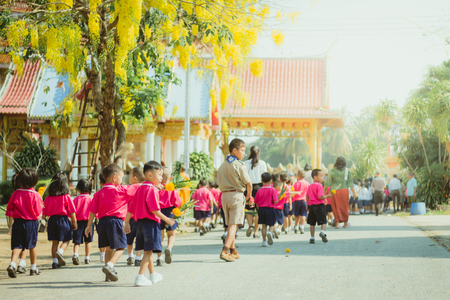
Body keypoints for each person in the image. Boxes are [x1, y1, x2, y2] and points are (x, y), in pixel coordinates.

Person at [85, 163, 139, 282]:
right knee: (121, 247)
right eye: (121, 177)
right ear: (114, 178)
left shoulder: (98, 194)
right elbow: (136, 187)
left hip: (102, 223)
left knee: (108, 248)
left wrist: (89, 226)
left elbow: (93, 211)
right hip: (116, 222)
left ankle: (107, 274)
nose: (122, 180)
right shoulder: (122, 190)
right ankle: (110, 266)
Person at [124, 161, 175, 287]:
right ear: (150, 175)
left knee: (148, 250)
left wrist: (126, 223)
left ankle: (153, 274)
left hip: (139, 224)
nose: (161, 178)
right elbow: (155, 210)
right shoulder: (152, 190)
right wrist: (167, 220)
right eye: (159, 175)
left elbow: (131, 207)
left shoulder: (140, 188)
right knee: (148, 252)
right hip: (150, 224)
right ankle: (140, 276)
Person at [217, 138, 252, 262]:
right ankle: (225, 250)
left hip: (224, 196)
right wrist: (249, 197)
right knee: (233, 225)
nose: (244, 153)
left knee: (230, 224)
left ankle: (233, 251)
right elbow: (249, 184)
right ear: (234, 150)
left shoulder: (222, 165)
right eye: (242, 151)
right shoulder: (239, 165)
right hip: (236, 195)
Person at [6, 168, 43, 277]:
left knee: (17, 245)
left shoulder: (15, 193)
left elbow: (9, 210)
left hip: (17, 223)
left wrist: (10, 226)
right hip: (31, 223)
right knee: (32, 246)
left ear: (19, 180)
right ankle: (33, 268)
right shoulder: (36, 195)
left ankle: (12, 264)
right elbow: (38, 213)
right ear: (35, 182)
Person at [42, 172, 77, 269]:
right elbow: (72, 211)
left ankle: (55, 262)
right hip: (63, 220)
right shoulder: (66, 197)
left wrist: (43, 219)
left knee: (55, 242)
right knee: (67, 240)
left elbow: (44, 214)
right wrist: (74, 222)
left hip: (52, 220)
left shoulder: (48, 198)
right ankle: (60, 252)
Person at [156, 166, 181, 266]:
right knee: (171, 234)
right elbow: (178, 203)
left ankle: (159, 258)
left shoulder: (157, 189)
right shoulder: (173, 190)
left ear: (160, 177)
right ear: (170, 177)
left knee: (160, 236)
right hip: (170, 213)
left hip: (159, 213)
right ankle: (169, 248)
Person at [325, 157, 356, 229]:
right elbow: (350, 183)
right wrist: (354, 193)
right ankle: (345, 223)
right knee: (345, 206)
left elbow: (328, 183)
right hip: (344, 191)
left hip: (334, 191)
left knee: (335, 206)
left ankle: (337, 224)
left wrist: (324, 191)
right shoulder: (347, 171)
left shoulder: (332, 171)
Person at [244, 145, 267, 238]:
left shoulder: (244, 163)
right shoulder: (262, 163)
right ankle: (256, 232)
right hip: (259, 187)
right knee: (257, 210)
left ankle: (250, 225)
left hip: (248, 187)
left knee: (248, 208)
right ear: (259, 153)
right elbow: (264, 176)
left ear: (250, 152)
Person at [72, 179, 94, 265]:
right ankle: (87, 258)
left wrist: (73, 221)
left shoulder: (76, 199)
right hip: (89, 222)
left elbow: (72, 212)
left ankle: (75, 254)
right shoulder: (91, 199)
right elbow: (94, 211)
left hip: (78, 222)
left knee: (77, 241)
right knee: (88, 241)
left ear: (79, 188)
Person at [307, 169, 332, 244]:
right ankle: (322, 232)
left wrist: (307, 204)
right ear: (315, 177)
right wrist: (327, 196)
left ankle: (312, 238)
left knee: (312, 223)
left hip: (311, 206)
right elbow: (320, 196)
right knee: (323, 221)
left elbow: (307, 196)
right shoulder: (320, 186)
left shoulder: (310, 186)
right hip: (319, 206)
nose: (323, 177)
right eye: (321, 176)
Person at [126, 167, 145, 267]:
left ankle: (130, 256)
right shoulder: (145, 187)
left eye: (130, 176)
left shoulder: (133, 187)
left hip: (131, 218)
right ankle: (138, 258)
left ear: (135, 178)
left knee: (129, 239)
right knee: (139, 239)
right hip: (141, 218)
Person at [253, 172, 278, 247]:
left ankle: (264, 241)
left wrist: (258, 209)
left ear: (261, 181)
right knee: (272, 224)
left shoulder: (259, 190)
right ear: (271, 181)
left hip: (261, 209)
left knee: (264, 226)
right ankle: (270, 232)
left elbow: (256, 201)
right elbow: (275, 201)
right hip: (270, 209)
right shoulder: (273, 190)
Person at [96, 173, 106, 263]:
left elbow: (94, 209)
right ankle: (105, 255)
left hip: (101, 219)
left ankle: (102, 254)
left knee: (101, 238)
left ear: (100, 183)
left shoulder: (98, 194)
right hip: (111, 219)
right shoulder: (113, 191)